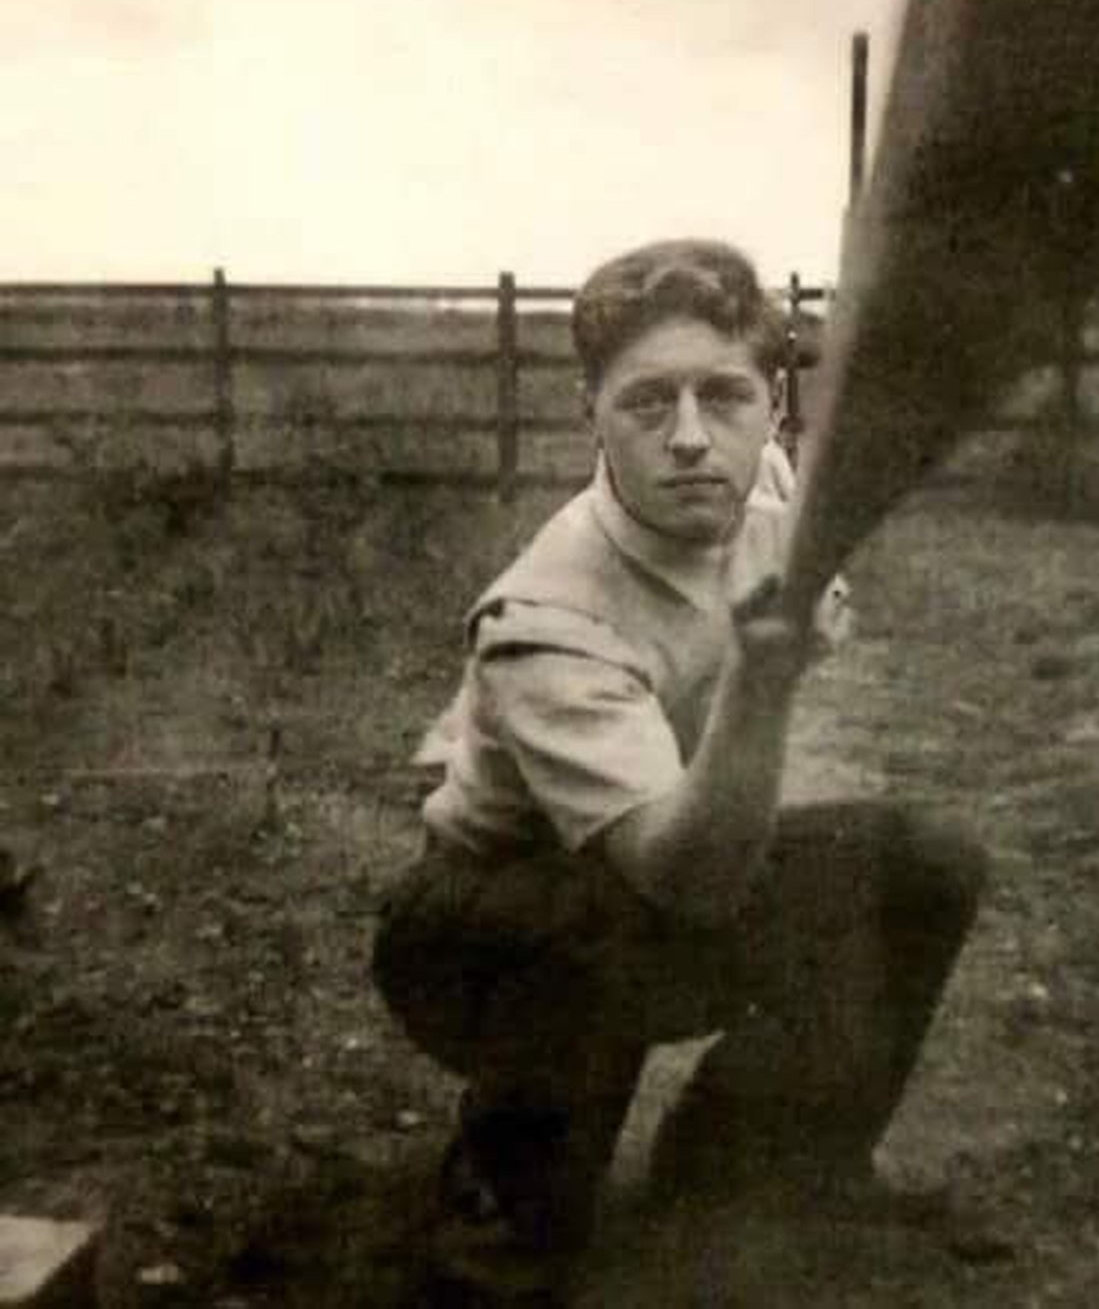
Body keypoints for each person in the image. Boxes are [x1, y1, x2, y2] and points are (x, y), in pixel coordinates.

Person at [371, 238, 987, 1301]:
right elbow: (682, 879)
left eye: (725, 396)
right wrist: (758, 684)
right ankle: (504, 1207)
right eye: (648, 402)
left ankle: (741, 1158)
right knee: (607, 910)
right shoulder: (547, 616)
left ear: (772, 408)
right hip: (478, 930)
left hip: (644, 870)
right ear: (592, 414)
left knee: (924, 861)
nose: (693, 437)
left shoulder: (767, 490)